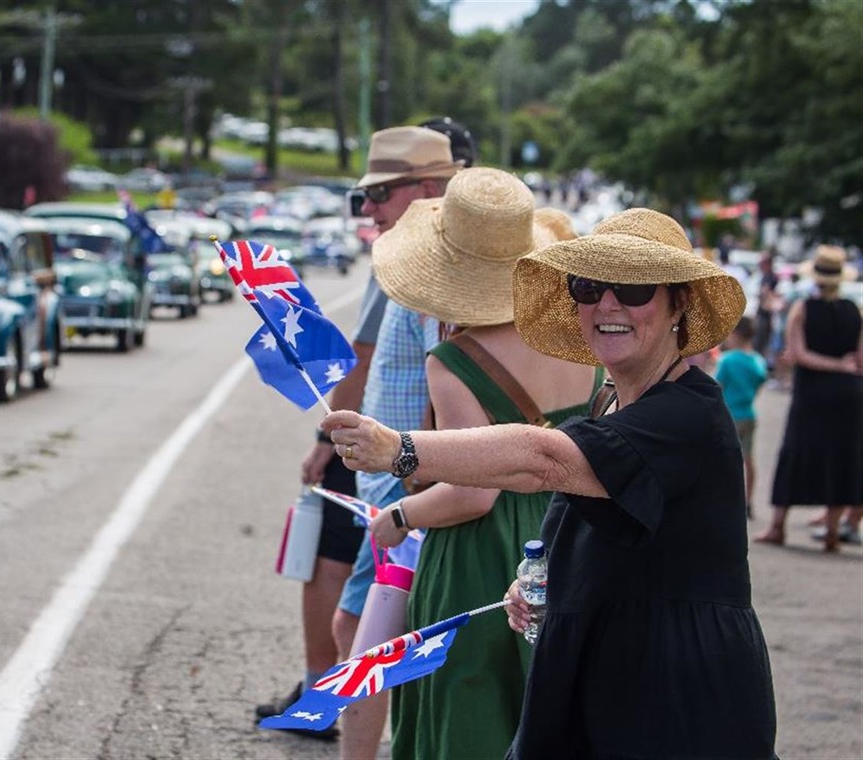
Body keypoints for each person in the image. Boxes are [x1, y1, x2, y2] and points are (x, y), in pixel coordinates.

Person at [323, 208, 777, 758]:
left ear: (679, 302)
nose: (608, 305)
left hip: (675, 683)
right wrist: (541, 582)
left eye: (633, 290)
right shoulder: (611, 399)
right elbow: (590, 519)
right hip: (607, 665)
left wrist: (400, 449)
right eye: (590, 286)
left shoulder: (687, 414)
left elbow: (543, 460)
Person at [364, 167, 601, 760]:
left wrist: (396, 516)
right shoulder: (581, 335)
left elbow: (473, 493)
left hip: (483, 556)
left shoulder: (454, 358)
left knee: (468, 715)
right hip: (576, 539)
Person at [254, 125, 463, 745]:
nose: (367, 208)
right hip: (397, 481)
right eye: (365, 195)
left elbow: (431, 372)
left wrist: (418, 481)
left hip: (410, 487)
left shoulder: (430, 269)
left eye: (381, 193)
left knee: (368, 634)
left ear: (428, 189)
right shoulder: (406, 256)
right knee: (367, 631)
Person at [756, 245, 862, 552]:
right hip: (849, 395)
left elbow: (797, 354)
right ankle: (832, 530)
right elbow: (859, 358)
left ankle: (778, 525)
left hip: (812, 393)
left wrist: (831, 364)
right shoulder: (854, 310)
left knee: (796, 451)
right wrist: (842, 365)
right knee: (843, 457)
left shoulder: (802, 308)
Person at [715, 316, 768, 518]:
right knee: (748, 459)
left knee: (723, 460)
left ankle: (724, 499)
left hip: (728, 415)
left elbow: (717, 387)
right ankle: (748, 501)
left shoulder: (728, 360)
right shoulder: (758, 361)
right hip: (748, 413)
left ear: (735, 335)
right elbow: (761, 382)